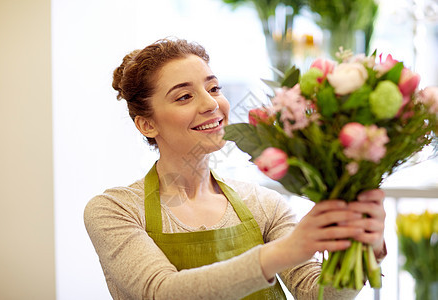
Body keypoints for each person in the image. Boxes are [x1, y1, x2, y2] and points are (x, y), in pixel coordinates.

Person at [84, 38, 387, 300]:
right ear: (147, 124)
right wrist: (286, 250)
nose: (211, 104)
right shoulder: (114, 210)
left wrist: (361, 250)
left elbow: (317, 293)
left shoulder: (264, 204)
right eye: (184, 96)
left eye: (214, 88)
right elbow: (163, 292)